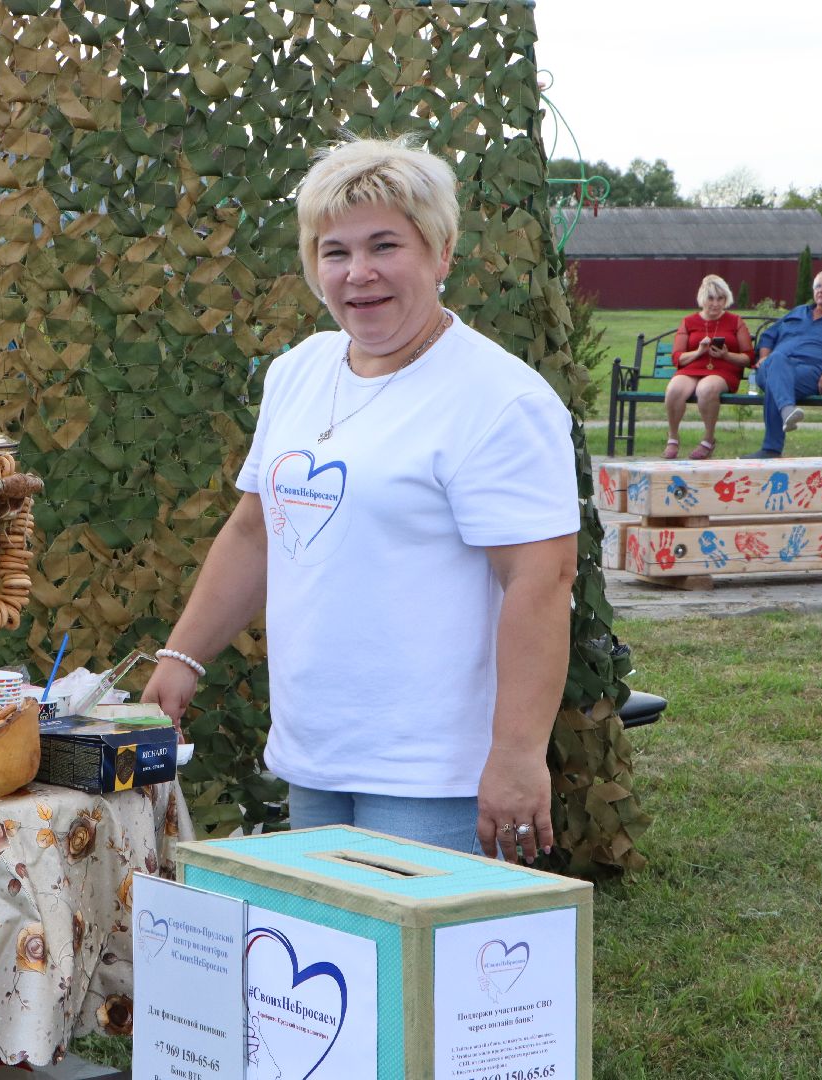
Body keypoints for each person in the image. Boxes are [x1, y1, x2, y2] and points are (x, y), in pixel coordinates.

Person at [141, 137, 578, 863]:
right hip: (317, 751)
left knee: (412, 977)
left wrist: (517, 755)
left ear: (441, 253)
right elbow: (256, 532)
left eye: (385, 245)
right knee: (325, 965)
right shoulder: (299, 371)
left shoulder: (498, 400)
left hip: (435, 773)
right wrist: (183, 656)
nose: (359, 273)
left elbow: (541, 579)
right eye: (334, 251)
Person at [748, 269, 822, 458]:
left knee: (776, 380)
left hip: (810, 373)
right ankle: (787, 412)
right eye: (817, 286)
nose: (821, 290)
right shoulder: (798, 312)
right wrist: (763, 357)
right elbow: (769, 336)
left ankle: (771, 450)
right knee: (776, 360)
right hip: (771, 367)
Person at [662, 274, 753, 460]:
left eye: (721, 299)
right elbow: (677, 357)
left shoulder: (735, 321)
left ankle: (708, 439)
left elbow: (748, 357)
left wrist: (726, 355)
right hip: (692, 367)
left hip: (723, 370)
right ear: (703, 298)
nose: (716, 304)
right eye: (711, 298)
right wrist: (698, 351)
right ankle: (672, 438)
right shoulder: (688, 322)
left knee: (707, 389)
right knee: (674, 389)